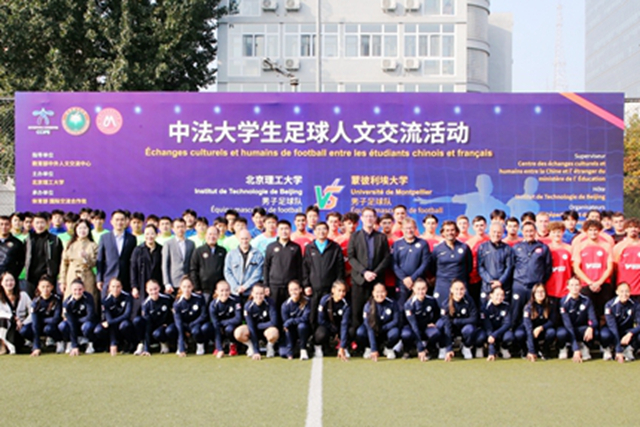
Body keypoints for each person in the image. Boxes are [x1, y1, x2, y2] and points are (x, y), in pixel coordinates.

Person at [348, 207, 391, 339]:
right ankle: (358, 343)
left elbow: (386, 258)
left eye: (371, 216)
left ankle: (377, 341)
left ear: (375, 218)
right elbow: (351, 257)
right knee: (357, 312)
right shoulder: (354, 236)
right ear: (362, 219)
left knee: (377, 312)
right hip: (359, 280)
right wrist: (364, 272)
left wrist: (374, 273)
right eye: (366, 216)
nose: (369, 219)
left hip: (376, 281)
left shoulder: (381, 237)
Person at [303, 221, 345, 329]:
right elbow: (305, 268)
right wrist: (306, 285)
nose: (321, 232)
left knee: (328, 315)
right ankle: (313, 336)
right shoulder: (309, 247)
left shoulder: (335, 247)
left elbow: (340, 268)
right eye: (318, 229)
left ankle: (329, 336)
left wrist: (338, 287)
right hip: (314, 289)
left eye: (324, 229)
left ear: (328, 231)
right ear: (314, 231)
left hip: (330, 289)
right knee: (312, 316)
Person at [511, 221, 551, 325]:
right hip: (519, 285)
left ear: (535, 231)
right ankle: (514, 331)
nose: (529, 234)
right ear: (522, 232)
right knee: (516, 312)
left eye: (531, 231)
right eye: (526, 231)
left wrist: (539, 281)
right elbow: (512, 266)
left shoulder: (543, 247)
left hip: (535, 287)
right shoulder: (516, 247)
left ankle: (533, 333)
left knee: (534, 312)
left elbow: (548, 268)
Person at [572, 219, 614, 319]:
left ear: (599, 231)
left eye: (595, 230)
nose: (593, 232)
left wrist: (599, 282)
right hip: (586, 285)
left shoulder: (606, 246)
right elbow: (576, 268)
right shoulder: (580, 246)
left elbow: (610, 267)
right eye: (590, 230)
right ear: (586, 231)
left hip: (603, 284)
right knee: (587, 313)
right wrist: (590, 283)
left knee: (603, 313)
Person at [392, 218, 430, 318]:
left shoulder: (423, 243)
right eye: (406, 228)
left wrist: (413, 278)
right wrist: (404, 278)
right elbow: (394, 264)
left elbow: (425, 263)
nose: (409, 230)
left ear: (416, 228)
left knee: (418, 309)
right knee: (401, 309)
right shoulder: (397, 244)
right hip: (402, 283)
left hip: (418, 283)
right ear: (402, 229)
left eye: (411, 228)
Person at [96, 210, 137, 298]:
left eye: (122, 220)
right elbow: (100, 259)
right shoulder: (104, 238)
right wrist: (99, 279)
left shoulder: (132, 239)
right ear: (111, 221)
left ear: (126, 221)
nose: (119, 222)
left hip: (125, 279)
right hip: (108, 278)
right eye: (117, 220)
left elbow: (133, 261)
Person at [430, 221, 472, 306]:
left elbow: (469, 266)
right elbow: (432, 267)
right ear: (443, 233)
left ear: (456, 232)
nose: (450, 233)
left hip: (460, 283)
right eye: (447, 230)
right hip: (442, 284)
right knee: (440, 308)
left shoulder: (464, 247)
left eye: (452, 230)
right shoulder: (437, 249)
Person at [264, 220, 303, 312]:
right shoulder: (271, 247)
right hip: (274, 286)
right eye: (281, 229)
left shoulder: (296, 247)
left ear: (290, 230)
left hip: (290, 287)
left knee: (290, 310)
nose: (284, 231)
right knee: (274, 310)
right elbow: (266, 266)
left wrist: (299, 284)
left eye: (286, 229)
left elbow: (300, 267)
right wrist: (266, 285)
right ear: (277, 230)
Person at [557, 277, 598, 362]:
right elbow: (568, 325)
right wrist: (575, 349)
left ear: (580, 286)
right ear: (567, 287)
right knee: (561, 334)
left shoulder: (587, 300)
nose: (574, 287)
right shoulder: (563, 301)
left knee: (595, 332)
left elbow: (593, 319)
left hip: (581, 328)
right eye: (572, 285)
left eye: (577, 285)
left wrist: (590, 327)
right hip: (567, 328)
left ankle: (584, 346)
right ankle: (564, 347)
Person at [234, 283, 279, 360]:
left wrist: (256, 325)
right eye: (256, 293)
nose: (259, 296)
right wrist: (256, 351)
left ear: (265, 293)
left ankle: (270, 346)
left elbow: (274, 322)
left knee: (274, 332)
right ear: (252, 293)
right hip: (252, 330)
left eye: (261, 293)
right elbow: (251, 328)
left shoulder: (270, 303)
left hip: (266, 330)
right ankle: (251, 346)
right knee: (238, 333)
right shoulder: (248, 306)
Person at [401, 278, 443, 361]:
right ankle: (407, 349)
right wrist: (420, 349)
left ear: (426, 289)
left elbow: (437, 313)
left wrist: (433, 322)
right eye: (418, 289)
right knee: (406, 335)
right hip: (412, 328)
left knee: (435, 333)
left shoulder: (431, 300)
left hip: (425, 327)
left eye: (423, 289)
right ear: (413, 289)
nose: (421, 291)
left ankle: (430, 349)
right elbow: (414, 326)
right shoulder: (409, 304)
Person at [356, 283, 400, 361]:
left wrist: (382, 328)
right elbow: (369, 326)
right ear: (373, 293)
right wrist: (374, 349)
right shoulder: (368, 305)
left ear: (386, 292)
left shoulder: (392, 303)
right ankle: (368, 348)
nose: (380, 294)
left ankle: (388, 348)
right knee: (360, 332)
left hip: (385, 330)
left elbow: (396, 321)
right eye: (377, 292)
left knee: (395, 332)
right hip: (372, 330)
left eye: (382, 292)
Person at [167, 276, 208, 357]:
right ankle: (182, 344)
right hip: (184, 325)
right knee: (170, 330)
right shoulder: (177, 303)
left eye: (189, 287)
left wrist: (193, 324)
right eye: (184, 287)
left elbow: (203, 315)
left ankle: (200, 344)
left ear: (192, 287)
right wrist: (181, 349)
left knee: (197, 330)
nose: (186, 289)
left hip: (196, 324)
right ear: (181, 288)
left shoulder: (199, 298)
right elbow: (179, 324)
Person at [25, 212, 64, 296]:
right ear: (33, 224)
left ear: (47, 223)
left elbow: (61, 258)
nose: (40, 225)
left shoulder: (55, 240)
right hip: (31, 277)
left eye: (42, 222)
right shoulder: (28, 240)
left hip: (49, 275)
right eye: (37, 223)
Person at [59, 219, 98, 302]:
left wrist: (87, 257)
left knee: (88, 299)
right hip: (72, 274)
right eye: (80, 228)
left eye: (85, 228)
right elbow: (64, 264)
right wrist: (62, 281)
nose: (82, 230)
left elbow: (95, 263)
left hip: (87, 275)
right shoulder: (70, 244)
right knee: (70, 299)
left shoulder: (93, 245)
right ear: (75, 230)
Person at [440, 279, 480, 361]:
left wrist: (457, 321)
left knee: (470, 329)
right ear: (451, 290)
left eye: (461, 289)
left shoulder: (469, 301)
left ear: (465, 290)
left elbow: (474, 319)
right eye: (456, 289)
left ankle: (466, 346)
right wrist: (449, 349)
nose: (459, 292)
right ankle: (443, 346)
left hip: (464, 327)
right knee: (440, 325)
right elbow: (447, 326)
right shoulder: (445, 304)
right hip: (452, 328)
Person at [94, 278, 135, 356]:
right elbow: (109, 319)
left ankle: (129, 344)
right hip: (112, 325)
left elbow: (127, 315)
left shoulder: (128, 297)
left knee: (125, 325)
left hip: (123, 322)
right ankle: (108, 344)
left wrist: (110, 322)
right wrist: (113, 342)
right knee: (98, 330)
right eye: (113, 286)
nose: (115, 289)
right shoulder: (105, 300)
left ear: (121, 287)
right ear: (109, 288)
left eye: (118, 286)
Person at [516, 283, 556, 362]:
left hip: (542, 330)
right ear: (533, 294)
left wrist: (541, 328)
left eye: (542, 291)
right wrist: (531, 351)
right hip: (530, 330)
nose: (540, 294)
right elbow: (528, 328)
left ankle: (545, 350)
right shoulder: (528, 307)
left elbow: (553, 321)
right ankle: (526, 350)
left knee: (551, 332)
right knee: (519, 334)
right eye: (538, 292)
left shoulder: (550, 304)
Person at [600, 282, 640, 363]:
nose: (624, 294)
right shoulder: (609, 305)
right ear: (617, 292)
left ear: (630, 292)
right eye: (622, 291)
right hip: (612, 330)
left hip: (627, 331)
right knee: (604, 335)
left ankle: (629, 349)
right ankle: (608, 348)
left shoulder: (636, 304)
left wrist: (630, 333)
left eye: (627, 291)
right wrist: (618, 350)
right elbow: (613, 328)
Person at [133, 279, 174, 356]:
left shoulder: (167, 298)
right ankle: (142, 344)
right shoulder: (145, 304)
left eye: (155, 289)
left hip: (165, 326)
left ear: (159, 288)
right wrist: (147, 350)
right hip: (153, 328)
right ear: (147, 290)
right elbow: (147, 326)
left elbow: (174, 313)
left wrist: (168, 323)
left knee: (169, 330)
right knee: (137, 321)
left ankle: (165, 342)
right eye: (151, 290)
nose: (154, 292)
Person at [130, 225, 164, 317]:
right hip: (141, 284)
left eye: (152, 233)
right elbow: (133, 269)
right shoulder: (138, 250)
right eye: (147, 234)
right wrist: (134, 286)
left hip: (157, 284)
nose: (149, 236)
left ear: (157, 234)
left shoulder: (161, 249)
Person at [24, 275, 63, 356]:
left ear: (52, 287)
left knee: (48, 329)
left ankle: (59, 341)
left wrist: (41, 319)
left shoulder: (57, 299)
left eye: (48, 286)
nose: (45, 289)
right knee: (24, 330)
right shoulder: (35, 302)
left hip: (52, 326)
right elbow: (35, 323)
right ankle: (37, 343)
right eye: (43, 287)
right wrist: (36, 347)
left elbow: (56, 319)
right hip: (39, 326)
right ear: (38, 288)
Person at [477, 223, 514, 303]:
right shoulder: (482, 247)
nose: (496, 234)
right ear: (489, 232)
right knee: (485, 309)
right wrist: (490, 280)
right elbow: (480, 267)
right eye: (494, 232)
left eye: (499, 232)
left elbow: (509, 267)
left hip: (503, 286)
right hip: (487, 287)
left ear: (503, 233)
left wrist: (500, 281)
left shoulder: (507, 249)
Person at [314, 281, 351, 360]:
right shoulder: (325, 300)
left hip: (340, 327)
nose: (341, 293)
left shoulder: (346, 304)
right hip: (327, 326)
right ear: (333, 290)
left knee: (351, 331)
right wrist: (332, 328)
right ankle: (319, 347)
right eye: (339, 290)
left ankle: (344, 347)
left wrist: (342, 346)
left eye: (344, 291)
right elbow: (321, 320)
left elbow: (344, 323)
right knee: (321, 334)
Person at [190, 226, 227, 304]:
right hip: (203, 290)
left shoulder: (223, 251)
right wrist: (196, 288)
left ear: (218, 236)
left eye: (214, 234)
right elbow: (193, 270)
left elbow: (226, 269)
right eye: (210, 234)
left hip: (219, 290)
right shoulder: (198, 251)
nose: (212, 237)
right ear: (205, 235)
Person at [59, 279, 96, 356]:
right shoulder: (67, 303)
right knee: (62, 326)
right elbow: (71, 323)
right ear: (71, 290)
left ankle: (89, 343)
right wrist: (75, 346)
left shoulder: (89, 298)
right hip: (73, 324)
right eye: (75, 290)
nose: (77, 292)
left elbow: (90, 316)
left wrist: (76, 321)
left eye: (80, 289)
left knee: (87, 326)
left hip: (84, 323)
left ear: (84, 289)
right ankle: (70, 343)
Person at [205, 280, 242, 358]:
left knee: (229, 329)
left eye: (227, 290)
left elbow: (238, 319)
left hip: (231, 325)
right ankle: (218, 345)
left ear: (230, 290)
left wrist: (222, 323)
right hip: (219, 327)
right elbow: (216, 325)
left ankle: (232, 345)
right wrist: (220, 350)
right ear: (216, 291)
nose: (224, 293)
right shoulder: (213, 305)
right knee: (208, 328)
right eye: (221, 290)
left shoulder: (236, 300)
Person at [477, 287, 513, 361]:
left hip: (500, 331)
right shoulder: (485, 307)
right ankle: (480, 346)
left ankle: (503, 348)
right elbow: (487, 326)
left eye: (502, 295)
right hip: (488, 331)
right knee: (480, 337)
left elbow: (507, 324)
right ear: (491, 295)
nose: (499, 297)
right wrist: (491, 351)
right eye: (497, 295)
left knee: (509, 336)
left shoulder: (506, 306)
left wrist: (494, 335)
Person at [161, 218, 195, 295]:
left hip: (188, 282)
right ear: (173, 229)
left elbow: (193, 263)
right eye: (178, 227)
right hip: (174, 282)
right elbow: (165, 265)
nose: (180, 229)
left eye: (182, 227)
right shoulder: (168, 244)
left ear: (185, 228)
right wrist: (167, 283)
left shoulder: (191, 244)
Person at [0, 272, 31, 354]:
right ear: (1, 283)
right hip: (6, 327)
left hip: (20, 328)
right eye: (6, 281)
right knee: (2, 320)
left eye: (11, 280)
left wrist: (23, 323)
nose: (9, 283)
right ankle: (4, 345)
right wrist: (13, 318)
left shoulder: (23, 295)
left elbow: (32, 311)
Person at [281, 280, 311, 360]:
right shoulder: (285, 305)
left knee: (302, 326)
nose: (293, 292)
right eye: (291, 290)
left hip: (304, 330)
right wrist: (289, 351)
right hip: (292, 331)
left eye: (296, 289)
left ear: (301, 289)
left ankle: (303, 349)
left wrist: (291, 321)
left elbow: (305, 318)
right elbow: (286, 324)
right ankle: (292, 348)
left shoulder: (307, 301)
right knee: (283, 353)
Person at [546, 222, 572, 313]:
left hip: (566, 288)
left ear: (563, 232)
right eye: (554, 232)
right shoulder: (546, 249)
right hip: (550, 288)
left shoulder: (569, 248)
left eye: (559, 232)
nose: (556, 234)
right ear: (549, 233)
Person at [465, 216, 490, 304]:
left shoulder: (491, 239)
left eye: (481, 225)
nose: (479, 228)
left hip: (489, 276)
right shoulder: (469, 243)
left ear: (486, 226)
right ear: (473, 227)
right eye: (477, 226)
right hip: (474, 277)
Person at [614, 218, 640, 301]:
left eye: (636, 227)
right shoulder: (619, 246)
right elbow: (614, 266)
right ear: (626, 229)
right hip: (624, 291)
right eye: (630, 227)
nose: (633, 229)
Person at [0, 215, 25, 283]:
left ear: (11, 226)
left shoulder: (17, 243)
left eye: (6, 224)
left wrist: (13, 275)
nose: (4, 227)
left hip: (9, 280)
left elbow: (21, 262)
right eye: (1, 224)